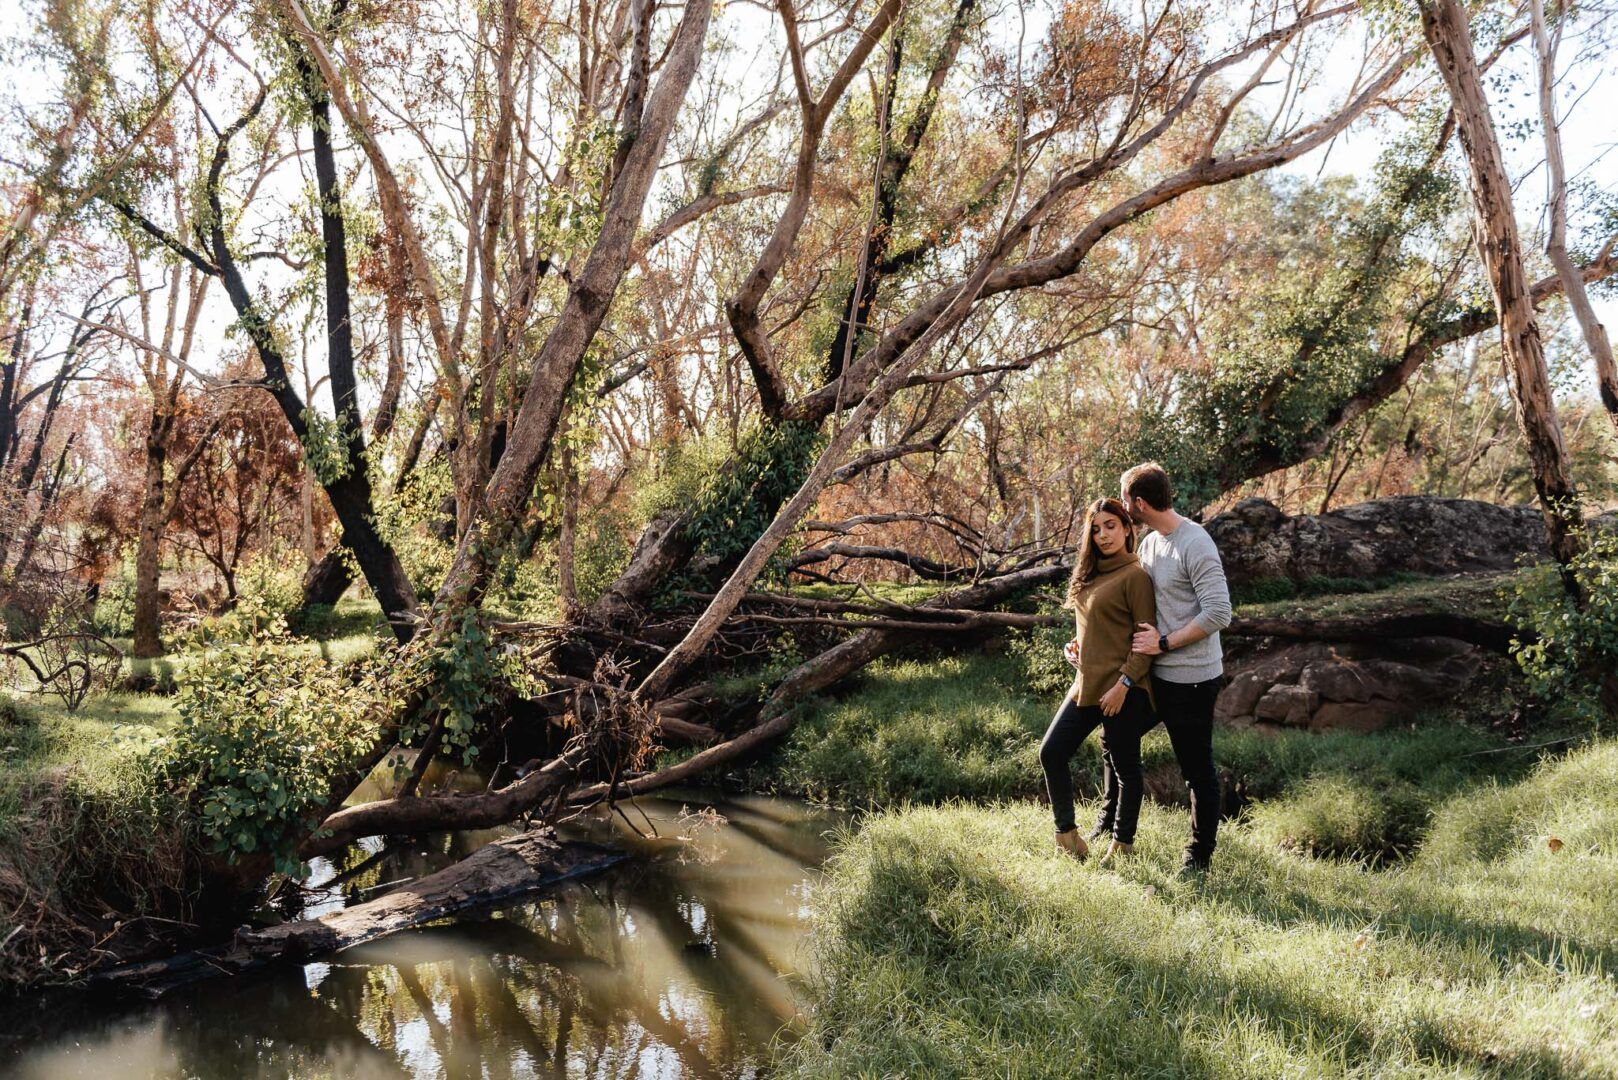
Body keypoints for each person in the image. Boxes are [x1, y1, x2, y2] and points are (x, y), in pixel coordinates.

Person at [1120, 462, 1232, 874]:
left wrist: (1164, 642)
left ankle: (1198, 857)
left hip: (1194, 681)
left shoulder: (1195, 543)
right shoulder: (1150, 544)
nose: (1123, 505)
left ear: (1141, 503)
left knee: (1196, 769)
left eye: (1126, 499)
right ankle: (1115, 828)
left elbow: (1220, 613)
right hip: (1156, 676)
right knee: (1117, 733)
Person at [1040, 497, 1156, 862]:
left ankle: (1122, 845)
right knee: (1052, 752)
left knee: (1125, 769)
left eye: (1110, 526)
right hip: (1087, 683)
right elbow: (1095, 626)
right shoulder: (1091, 574)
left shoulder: (1135, 576)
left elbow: (1145, 640)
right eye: (1096, 528)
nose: (1103, 534)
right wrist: (1076, 648)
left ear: (1126, 528)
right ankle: (1067, 835)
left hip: (1124, 687)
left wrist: (1124, 685)